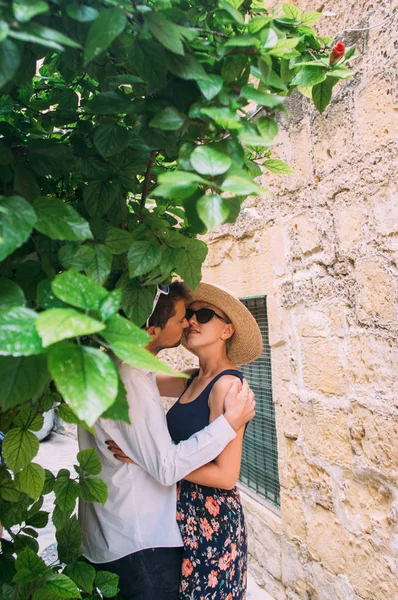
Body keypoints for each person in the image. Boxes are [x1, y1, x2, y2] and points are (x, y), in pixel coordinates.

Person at [77, 281, 256, 600]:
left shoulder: (228, 387)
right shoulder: (189, 378)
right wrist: (148, 457)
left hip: (207, 519)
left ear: (227, 331)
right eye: (187, 315)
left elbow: (227, 476)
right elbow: (139, 375)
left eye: (202, 314)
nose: (191, 321)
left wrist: (146, 460)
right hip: (177, 516)